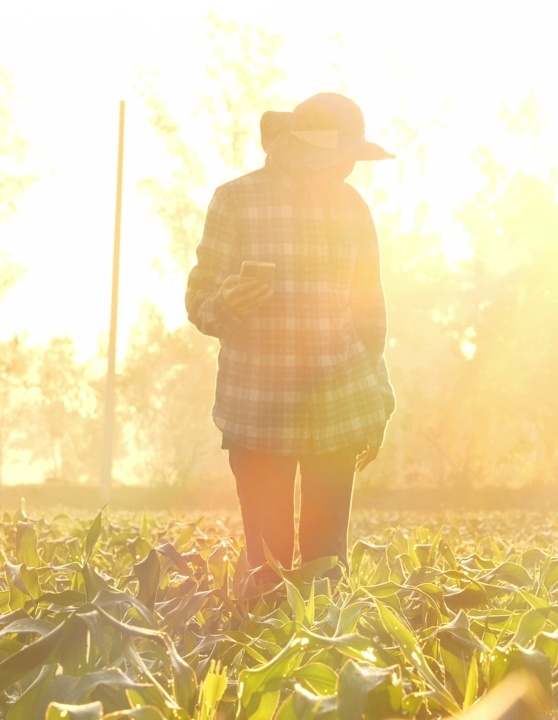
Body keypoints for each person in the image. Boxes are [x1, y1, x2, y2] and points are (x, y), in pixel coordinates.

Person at [185, 92, 396, 588]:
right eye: (339, 159)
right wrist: (229, 302)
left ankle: (322, 656)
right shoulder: (235, 201)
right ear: (304, 153)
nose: (346, 170)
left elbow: (370, 317)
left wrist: (378, 404)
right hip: (258, 411)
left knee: (327, 567)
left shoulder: (353, 209)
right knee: (267, 566)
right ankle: (261, 654)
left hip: (339, 410)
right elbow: (198, 300)